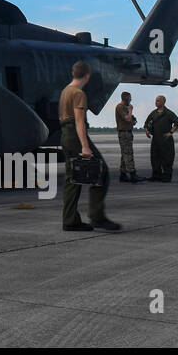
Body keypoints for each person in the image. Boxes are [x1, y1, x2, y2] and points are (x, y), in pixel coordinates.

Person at [60, 61, 120, 232]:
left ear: (73, 74)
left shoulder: (66, 91)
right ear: (87, 76)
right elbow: (79, 122)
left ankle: (70, 220)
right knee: (102, 173)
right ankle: (97, 217)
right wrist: (85, 147)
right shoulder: (79, 94)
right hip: (76, 136)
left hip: (65, 135)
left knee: (72, 179)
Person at [143, 95, 178, 182]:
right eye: (156, 100)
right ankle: (156, 176)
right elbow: (146, 123)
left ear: (163, 102)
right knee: (154, 158)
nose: (156, 102)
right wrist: (147, 131)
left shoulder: (168, 113)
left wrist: (170, 133)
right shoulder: (153, 113)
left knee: (167, 158)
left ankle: (167, 176)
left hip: (165, 140)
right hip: (156, 139)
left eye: (158, 101)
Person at [115, 91, 142, 183]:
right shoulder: (120, 107)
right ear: (126, 98)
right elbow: (127, 118)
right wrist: (130, 109)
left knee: (124, 154)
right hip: (124, 133)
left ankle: (123, 174)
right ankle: (132, 174)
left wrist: (132, 120)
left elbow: (130, 119)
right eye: (130, 98)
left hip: (128, 132)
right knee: (128, 154)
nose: (130, 100)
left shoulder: (124, 107)